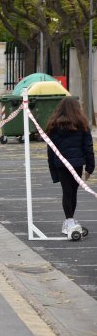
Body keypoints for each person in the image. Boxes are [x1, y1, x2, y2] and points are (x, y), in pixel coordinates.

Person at [45, 97, 94, 235]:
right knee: (73, 192)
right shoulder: (82, 124)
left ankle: (69, 220)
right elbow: (88, 147)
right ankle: (70, 220)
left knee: (66, 192)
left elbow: (50, 151)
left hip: (61, 164)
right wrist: (90, 167)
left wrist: (53, 172)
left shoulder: (53, 125)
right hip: (77, 163)